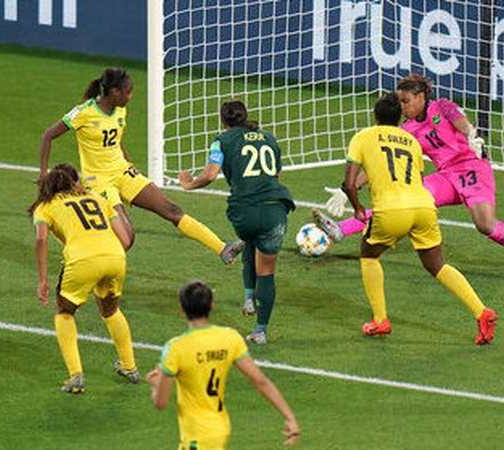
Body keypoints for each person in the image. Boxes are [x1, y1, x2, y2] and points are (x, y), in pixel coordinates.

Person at [314, 73, 504, 274]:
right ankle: (341, 229)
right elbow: (382, 160)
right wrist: (349, 188)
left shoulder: (442, 107)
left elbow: (461, 121)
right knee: (403, 202)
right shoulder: (407, 130)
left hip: (473, 169)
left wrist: (471, 135)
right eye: (400, 102)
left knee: (485, 224)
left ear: (420, 97)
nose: (402, 107)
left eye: (406, 101)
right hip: (446, 176)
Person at [39, 66, 244, 264]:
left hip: (122, 172)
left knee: (171, 210)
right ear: (114, 92)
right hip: (99, 182)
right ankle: (86, 262)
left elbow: (116, 140)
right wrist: (43, 174)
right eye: (127, 93)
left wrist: (129, 163)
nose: (130, 97)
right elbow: (48, 136)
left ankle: (222, 248)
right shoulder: (83, 112)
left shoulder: (120, 111)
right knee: (126, 239)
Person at [342, 92, 498, 345]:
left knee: (369, 254)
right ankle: (482, 312)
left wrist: (356, 205)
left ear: (375, 116)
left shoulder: (363, 136)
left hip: (392, 210)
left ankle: (380, 319)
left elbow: (350, 182)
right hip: (424, 207)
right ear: (398, 116)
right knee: (436, 265)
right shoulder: (411, 141)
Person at [179, 99, 295, 345]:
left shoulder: (221, 140)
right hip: (275, 209)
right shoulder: (269, 139)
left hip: (244, 211)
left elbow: (210, 174)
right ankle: (260, 330)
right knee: (267, 272)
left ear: (223, 120)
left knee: (250, 236)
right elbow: (276, 176)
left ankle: (248, 296)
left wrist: (188, 183)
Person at [146, 280, 300, 449]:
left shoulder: (176, 348)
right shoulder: (230, 338)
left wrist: (155, 385)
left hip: (198, 437)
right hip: (219, 427)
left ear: (182, 309)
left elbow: (160, 403)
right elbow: (260, 381)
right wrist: (290, 417)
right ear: (211, 306)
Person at [29, 163, 141, 393]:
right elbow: (124, 238)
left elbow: (41, 240)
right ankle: (130, 367)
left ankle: (76, 376)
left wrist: (42, 279)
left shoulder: (45, 206)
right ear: (73, 182)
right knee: (110, 311)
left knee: (64, 311)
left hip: (82, 261)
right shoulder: (96, 198)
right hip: (115, 257)